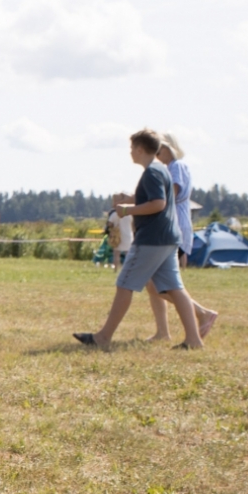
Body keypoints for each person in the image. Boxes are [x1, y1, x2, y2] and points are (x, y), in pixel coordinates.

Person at [74, 130, 202, 351]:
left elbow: (158, 203)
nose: (131, 152)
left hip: (152, 239)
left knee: (125, 284)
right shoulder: (161, 170)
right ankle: (194, 340)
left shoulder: (152, 172)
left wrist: (127, 210)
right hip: (168, 237)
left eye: (132, 148)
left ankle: (104, 337)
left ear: (141, 149)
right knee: (174, 287)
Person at [145, 132, 216, 340]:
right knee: (154, 283)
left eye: (159, 149)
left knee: (158, 283)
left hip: (174, 230)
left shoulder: (177, 167)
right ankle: (162, 331)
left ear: (170, 148)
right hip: (169, 229)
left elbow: (169, 196)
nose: (156, 154)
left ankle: (202, 313)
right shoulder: (170, 168)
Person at [104, 201, 132, 269]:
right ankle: (128, 269)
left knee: (116, 254)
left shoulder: (114, 214)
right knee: (128, 254)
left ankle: (116, 269)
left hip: (117, 236)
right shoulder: (129, 214)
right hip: (128, 235)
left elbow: (109, 224)